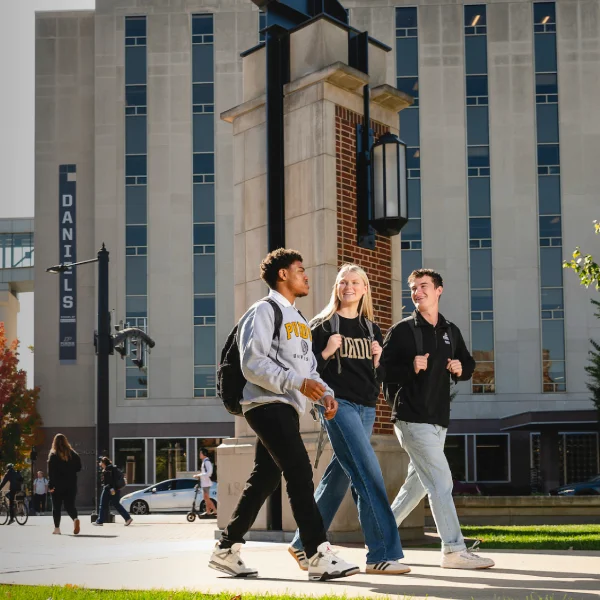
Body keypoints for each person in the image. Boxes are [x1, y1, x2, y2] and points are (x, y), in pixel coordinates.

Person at [209, 248, 359, 581]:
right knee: (299, 470)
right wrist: (297, 382)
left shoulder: (299, 321)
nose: (306, 276)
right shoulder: (263, 311)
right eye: (300, 270)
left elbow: (309, 369)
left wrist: (326, 395)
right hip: (264, 403)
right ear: (282, 275)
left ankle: (225, 549)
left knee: (264, 478)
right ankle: (317, 552)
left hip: (288, 405)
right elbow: (253, 363)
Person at [288, 264, 409, 575]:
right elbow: (305, 370)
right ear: (336, 287)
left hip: (366, 408)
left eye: (355, 282)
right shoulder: (323, 325)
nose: (349, 287)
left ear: (364, 288)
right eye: (344, 282)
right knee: (368, 473)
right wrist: (326, 352)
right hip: (336, 405)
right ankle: (381, 553)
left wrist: (379, 361)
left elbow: (377, 378)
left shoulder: (371, 329)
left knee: (340, 476)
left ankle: (304, 542)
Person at [382, 268, 494, 569]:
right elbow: (382, 373)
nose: (417, 292)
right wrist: (410, 366)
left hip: (438, 420)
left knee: (416, 486)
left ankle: (380, 537)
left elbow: (469, 365)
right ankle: (453, 550)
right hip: (411, 418)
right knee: (441, 483)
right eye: (413, 288)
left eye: (423, 286)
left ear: (438, 290)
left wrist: (460, 368)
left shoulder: (449, 331)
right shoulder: (403, 330)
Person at [47, 433, 82, 535]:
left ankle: (57, 529)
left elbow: (51, 473)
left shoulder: (53, 455)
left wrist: (51, 486)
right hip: (71, 485)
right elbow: (79, 468)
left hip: (57, 485)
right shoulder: (73, 454)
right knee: (70, 505)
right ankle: (75, 519)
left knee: (56, 507)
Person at [93, 457, 133, 526]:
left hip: (108, 489)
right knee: (116, 504)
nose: (100, 464)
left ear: (103, 463)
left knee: (102, 505)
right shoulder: (114, 468)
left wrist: (108, 487)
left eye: (101, 463)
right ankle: (127, 518)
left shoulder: (107, 470)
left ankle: (100, 521)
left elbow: (108, 482)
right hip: (116, 489)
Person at [194, 448, 216, 517]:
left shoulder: (207, 462)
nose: (199, 455)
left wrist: (199, 475)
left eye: (200, 453)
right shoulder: (204, 462)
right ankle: (208, 511)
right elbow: (205, 473)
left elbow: (209, 473)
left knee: (207, 498)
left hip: (207, 483)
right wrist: (200, 475)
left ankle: (215, 510)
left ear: (204, 454)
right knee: (206, 498)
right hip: (204, 483)